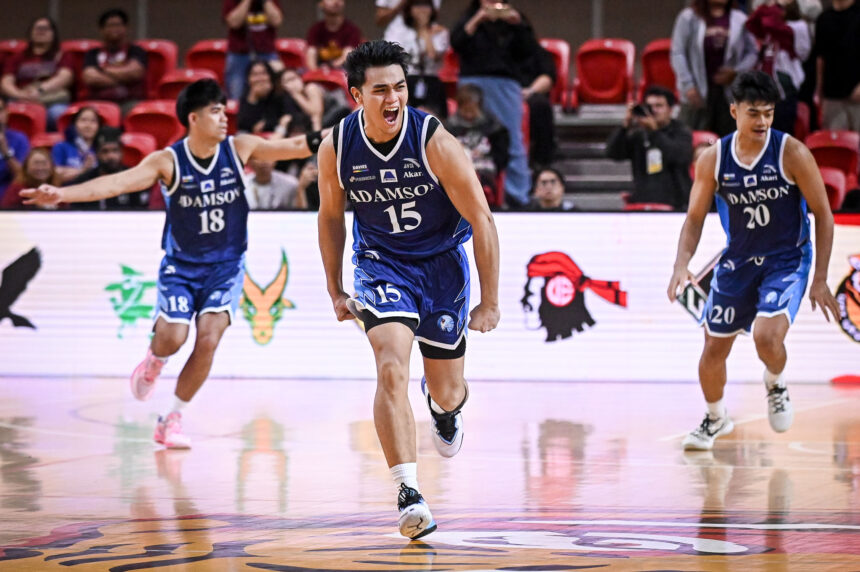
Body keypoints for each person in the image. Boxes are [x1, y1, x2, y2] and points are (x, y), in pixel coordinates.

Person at [21, 79, 321, 449]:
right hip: (182, 267)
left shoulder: (239, 148)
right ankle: (155, 360)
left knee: (209, 339)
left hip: (226, 267)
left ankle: (171, 418)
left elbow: (295, 146)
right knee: (174, 337)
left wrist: (342, 132)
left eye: (224, 110)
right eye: (215, 111)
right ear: (194, 118)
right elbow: (115, 184)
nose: (224, 118)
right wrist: (61, 193)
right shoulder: (168, 161)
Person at [317, 41, 499, 539]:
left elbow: (482, 218)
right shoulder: (337, 146)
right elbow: (330, 216)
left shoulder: (433, 140)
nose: (393, 98)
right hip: (381, 265)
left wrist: (490, 301)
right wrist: (334, 288)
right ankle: (408, 492)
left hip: (441, 266)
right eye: (381, 90)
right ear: (357, 96)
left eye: (399, 87)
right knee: (391, 366)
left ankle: (444, 408)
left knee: (447, 389)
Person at [667, 71, 840, 451]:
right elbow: (694, 218)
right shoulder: (714, 159)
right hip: (739, 260)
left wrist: (820, 278)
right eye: (754, 113)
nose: (762, 121)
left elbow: (824, 215)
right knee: (713, 349)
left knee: (766, 337)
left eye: (768, 113)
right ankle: (716, 418)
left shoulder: (792, 152)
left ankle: (775, 382)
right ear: (734, 111)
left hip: (787, 258)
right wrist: (681, 264)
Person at [451, 0, 538, 207]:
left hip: (505, 83)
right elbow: (457, 43)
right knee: (467, 137)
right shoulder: (468, 18)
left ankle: (518, 196)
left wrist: (518, 24)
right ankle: (464, 193)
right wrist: (477, 19)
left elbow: (529, 51)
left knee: (513, 140)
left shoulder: (515, 20)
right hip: (472, 82)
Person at [671, 0, 759, 136]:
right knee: (692, 140)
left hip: (728, 95)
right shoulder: (688, 17)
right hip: (696, 93)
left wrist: (737, 72)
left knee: (729, 142)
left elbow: (752, 52)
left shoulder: (740, 19)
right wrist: (688, 85)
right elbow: (678, 53)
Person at [606, 85, 694, 210]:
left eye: (659, 106)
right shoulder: (639, 134)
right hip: (643, 201)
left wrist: (654, 132)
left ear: (670, 109)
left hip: (676, 203)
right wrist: (625, 127)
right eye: (650, 106)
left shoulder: (681, 132)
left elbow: (679, 156)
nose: (654, 110)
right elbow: (612, 153)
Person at [0, 17, 74, 130]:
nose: (41, 31)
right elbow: (6, 82)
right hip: (20, 99)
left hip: (51, 101)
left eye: (45, 28)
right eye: (37, 28)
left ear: (53, 34)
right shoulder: (18, 57)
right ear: (30, 32)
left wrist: (39, 90)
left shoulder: (62, 55)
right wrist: (20, 94)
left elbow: (65, 77)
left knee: (58, 113)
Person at [444, 83, 509, 205]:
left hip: (485, 168)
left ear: (480, 107)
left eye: (472, 111)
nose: (469, 115)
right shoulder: (449, 127)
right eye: (465, 111)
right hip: (458, 169)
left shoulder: (494, 127)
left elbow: (501, 156)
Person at [385, 0, 450, 118]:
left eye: (426, 6)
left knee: (433, 119)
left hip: (431, 80)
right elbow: (392, 56)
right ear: (409, 9)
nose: (422, 10)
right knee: (404, 117)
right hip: (406, 79)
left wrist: (424, 31)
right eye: (417, 6)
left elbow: (433, 56)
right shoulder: (398, 30)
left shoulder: (439, 31)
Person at [81, 8, 148, 115]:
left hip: (129, 102)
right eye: (110, 25)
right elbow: (90, 78)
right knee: (86, 115)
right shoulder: (92, 53)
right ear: (101, 30)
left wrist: (104, 69)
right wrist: (124, 79)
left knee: (138, 112)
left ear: (126, 28)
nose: (115, 29)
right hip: (98, 104)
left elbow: (135, 72)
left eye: (118, 25)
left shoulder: (136, 51)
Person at [67, 127, 151, 210]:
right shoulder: (83, 182)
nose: (111, 156)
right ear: (97, 153)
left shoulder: (135, 180)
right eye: (105, 151)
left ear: (122, 152)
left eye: (115, 150)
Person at [813, 0, 860, 132]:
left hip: (857, 96)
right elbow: (820, 57)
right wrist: (819, 89)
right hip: (832, 96)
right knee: (833, 141)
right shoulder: (823, 19)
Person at [222, 0, 283, 100]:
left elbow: (276, 21)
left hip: (267, 52)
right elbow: (234, 23)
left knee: (277, 92)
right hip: (239, 54)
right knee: (236, 93)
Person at [305, 0, 363, 71]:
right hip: (320, 72)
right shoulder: (315, 29)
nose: (336, 2)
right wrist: (316, 73)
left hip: (343, 72)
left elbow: (347, 56)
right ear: (321, 4)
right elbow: (311, 56)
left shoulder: (352, 30)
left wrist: (330, 69)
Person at [52, 106, 100, 183]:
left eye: (93, 121)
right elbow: (55, 175)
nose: (88, 125)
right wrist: (83, 170)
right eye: (83, 120)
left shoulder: (101, 149)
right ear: (74, 124)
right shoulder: (61, 147)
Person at [0, 95, 30, 202]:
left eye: (0, 110)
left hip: (10, 197)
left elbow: (24, 176)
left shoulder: (19, 139)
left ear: (6, 113)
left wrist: (5, 151)